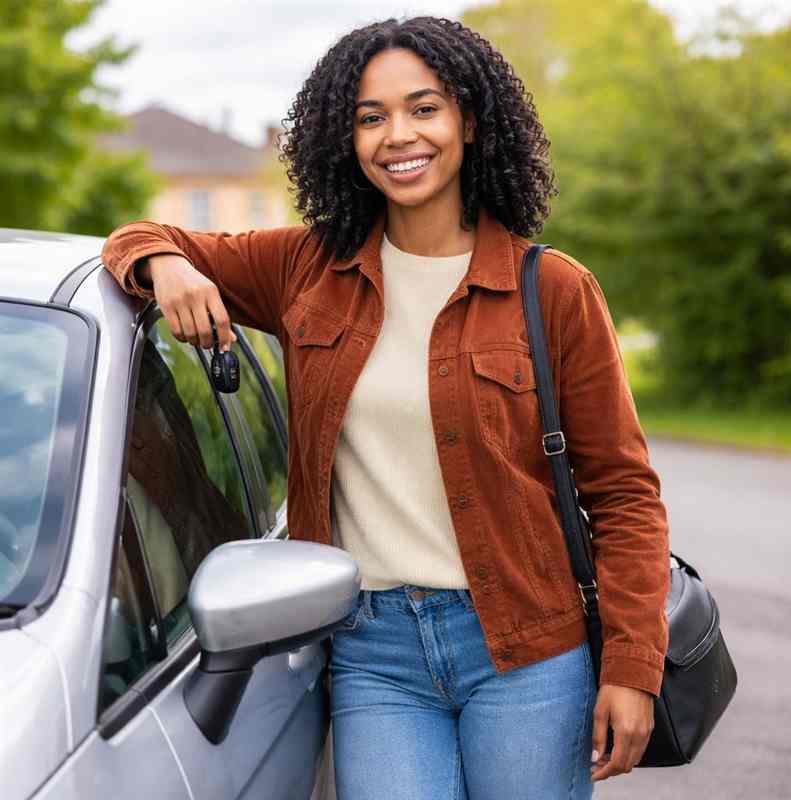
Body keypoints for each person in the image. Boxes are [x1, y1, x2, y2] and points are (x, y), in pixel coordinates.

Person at [101, 16, 670, 799]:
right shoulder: (307, 267)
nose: (398, 135)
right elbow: (134, 234)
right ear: (349, 137)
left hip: (529, 650)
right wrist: (167, 263)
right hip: (373, 652)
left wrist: (634, 667)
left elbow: (625, 494)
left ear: (470, 120)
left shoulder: (553, 290)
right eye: (371, 117)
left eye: (423, 108)